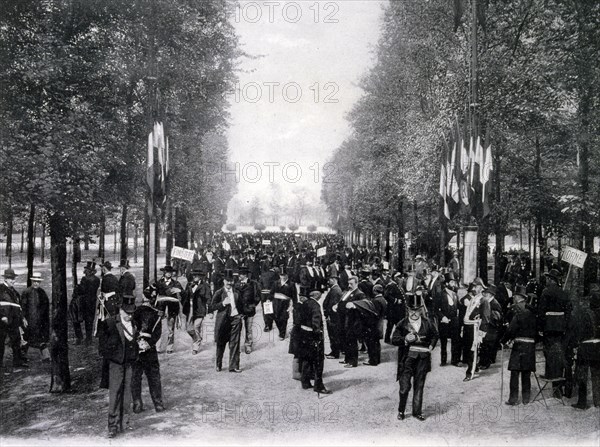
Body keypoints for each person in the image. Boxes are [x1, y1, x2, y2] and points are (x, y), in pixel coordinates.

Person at [392, 293, 439, 421]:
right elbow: (394, 339)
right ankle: (401, 411)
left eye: (417, 311)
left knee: (419, 386)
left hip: (422, 359)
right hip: (406, 359)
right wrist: (405, 340)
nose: (414, 313)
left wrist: (431, 346)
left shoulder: (427, 322)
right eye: (411, 310)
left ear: (421, 310)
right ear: (407, 310)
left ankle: (416, 412)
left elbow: (435, 335)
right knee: (404, 387)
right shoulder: (402, 324)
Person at [98, 294, 139, 438]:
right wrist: (113, 352)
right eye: (127, 313)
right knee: (115, 395)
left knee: (127, 395)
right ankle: (112, 426)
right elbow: (101, 348)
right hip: (115, 365)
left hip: (129, 365)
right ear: (120, 310)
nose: (130, 315)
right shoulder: (109, 324)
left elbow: (135, 342)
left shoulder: (134, 324)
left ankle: (124, 423)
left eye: (132, 313)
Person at [537, 268, 572, 397]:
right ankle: (561, 386)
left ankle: (554, 385)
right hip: (561, 329)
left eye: (548, 278)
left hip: (549, 328)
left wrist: (540, 327)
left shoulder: (546, 292)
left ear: (552, 280)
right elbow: (568, 312)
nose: (546, 280)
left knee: (549, 354)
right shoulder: (564, 293)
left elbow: (541, 311)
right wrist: (565, 325)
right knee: (560, 354)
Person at [501, 286, 537, 406]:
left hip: (519, 344)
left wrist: (503, 340)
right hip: (530, 345)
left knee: (515, 372)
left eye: (515, 296)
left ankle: (513, 399)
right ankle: (526, 398)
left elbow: (511, 329)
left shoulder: (516, 310)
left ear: (518, 297)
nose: (513, 298)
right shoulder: (532, 311)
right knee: (526, 372)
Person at [132, 283, 165, 414]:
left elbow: (131, 331)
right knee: (154, 377)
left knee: (135, 377)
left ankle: (137, 404)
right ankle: (158, 404)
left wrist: (137, 342)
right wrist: (148, 343)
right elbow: (157, 334)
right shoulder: (157, 315)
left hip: (136, 350)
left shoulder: (134, 312)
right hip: (149, 350)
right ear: (154, 298)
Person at [569, 288, 600, 409]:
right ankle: (598, 401)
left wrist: (574, 343)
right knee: (597, 374)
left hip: (585, 347)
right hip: (598, 347)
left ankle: (582, 402)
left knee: (582, 374)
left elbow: (577, 331)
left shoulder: (584, 315)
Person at [298, 290, 332, 394]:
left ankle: (305, 382)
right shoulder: (316, 305)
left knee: (306, 359)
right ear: (316, 296)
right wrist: (318, 335)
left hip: (304, 335)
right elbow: (316, 323)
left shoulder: (304, 304)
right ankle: (319, 386)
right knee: (318, 362)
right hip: (314, 336)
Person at [210, 269, 244, 372]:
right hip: (223, 322)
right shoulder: (219, 292)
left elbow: (241, 305)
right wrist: (223, 303)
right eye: (227, 280)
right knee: (221, 343)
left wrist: (241, 315)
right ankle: (218, 364)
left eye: (231, 280)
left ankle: (233, 366)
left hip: (235, 320)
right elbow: (212, 307)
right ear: (223, 281)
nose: (229, 283)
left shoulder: (237, 292)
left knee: (235, 344)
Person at [462, 278, 490, 381]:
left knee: (473, 351)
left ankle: (470, 373)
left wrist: (481, 333)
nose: (474, 288)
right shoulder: (473, 299)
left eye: (476, 286)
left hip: (475, 328)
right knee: (468, 349)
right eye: (474, 286)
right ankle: (475, 367)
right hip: (468, 327)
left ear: (481, 288)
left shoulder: (484, 301)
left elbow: (486, 318)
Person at [0, 268, 28, 368]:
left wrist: (23, 318)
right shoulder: (1, 289)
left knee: (16, 341)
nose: (13, 280)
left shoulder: (15, 292)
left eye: (14, 278)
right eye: (11, 278)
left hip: (14, 321)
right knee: (1, 342)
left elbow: (18, 307)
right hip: (2, 321)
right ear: (5, 279)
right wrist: (2, 316)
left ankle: (17, 362)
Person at [20, 272, 50, 362]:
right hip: (29, 320)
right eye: (34, 281)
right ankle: (22, 357)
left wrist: (45, 320)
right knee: (27, 338)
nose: (36, 283)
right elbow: (22, 307)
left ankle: (46, 357)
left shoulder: (42, 292)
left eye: (38, 281)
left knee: (41, 338)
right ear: (32, 281)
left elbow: (46, 308)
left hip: (40, 320)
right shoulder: (26, 292)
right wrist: (23, 318)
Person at [338, 276, 366, 368]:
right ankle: (347, 359)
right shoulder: (347, 292)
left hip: (353, 321)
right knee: (346, 340)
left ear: (357, 283)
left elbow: (362, 306)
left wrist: (354, 306)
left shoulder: (360, 294)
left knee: (352, 341)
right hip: (345, 319)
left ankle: (353, 362)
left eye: (352, 284)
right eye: (349, 283)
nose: (349, 285)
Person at [182, 270, 212, 354]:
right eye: (194, 275)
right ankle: (197, 338)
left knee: (196, 326)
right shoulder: (189, 285)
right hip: (190, 309)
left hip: (200, 309)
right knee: (188, 329)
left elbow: (209, 298)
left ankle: (196, 346)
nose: (194, 277)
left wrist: (210, 310)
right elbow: (185, 296)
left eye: (196, 276)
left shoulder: (205, 285)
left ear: (200, 277)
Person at [156, 265, 184, 354]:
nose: (169, 273)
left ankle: (169, 347)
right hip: (161, 307)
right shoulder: (159, 283)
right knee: (158, 327)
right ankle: (158, 347)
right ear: (164, 273)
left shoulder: (176, 283)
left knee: (170, 328)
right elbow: (152, 293)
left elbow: (183, 294)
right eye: (167, 272)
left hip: (172, 308)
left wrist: (178, 291)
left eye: (170, 272)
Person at [435, 272, 460, 366]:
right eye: (452, 282)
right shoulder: (440, 294)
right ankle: (443, 360)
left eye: (454, 282)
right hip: (444, 322)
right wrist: (442, 317)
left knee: (455, 341)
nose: (454, 284)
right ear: (446, 284)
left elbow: (458, 307)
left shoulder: (455, 294)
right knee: (443, 342)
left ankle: (455, 361)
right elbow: (436, 309)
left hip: (454, 321)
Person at [73, 261, 100, 345]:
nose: (85, 271)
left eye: (87, 270)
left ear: (90, 271)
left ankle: (79, 338)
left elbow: (82, 290)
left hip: (83, 302)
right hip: (92, 302)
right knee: (89, 321)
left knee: (77, 318)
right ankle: (88, 339)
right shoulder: (97, 279)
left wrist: (77, 287)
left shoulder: (85, 279)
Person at [478, 285, 503, 370]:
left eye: (486, 293)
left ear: (490, 294)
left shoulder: (494, 303)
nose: (484, 295)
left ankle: (486, 363)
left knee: (488, 346)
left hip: (491, 328)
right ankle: (482, 361)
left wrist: (487, 317)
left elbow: (497, 317)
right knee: (485, 345)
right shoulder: (488, 302)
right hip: (488, 327)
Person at [270, 267, 297, 340]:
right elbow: (271, 293)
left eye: (284, 275)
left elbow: (294, 296)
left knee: (284, 318)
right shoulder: (276, 283)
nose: (282, 277)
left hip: (286, 304)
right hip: (276, 304)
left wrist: (294, 305)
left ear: (287, 275)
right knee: (276, 318)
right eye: (281, 275)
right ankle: (280, 330)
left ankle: (282, 333)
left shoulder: (291, 284)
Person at [236, 266, 259, 354]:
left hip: (249, 310)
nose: (239, 276)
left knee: (248, 328)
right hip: (239, 310)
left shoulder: (253, 284)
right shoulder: (236, 284)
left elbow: (258, 296)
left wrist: (253, 305)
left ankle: (248, 345)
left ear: (245, 275)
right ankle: (236, 347)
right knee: (238, 329)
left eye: (241, 274)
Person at [322, 275, 343, 358]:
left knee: (333, 334)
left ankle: (335, 353)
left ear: (334, 280)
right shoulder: (335, 289)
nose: (328, 281)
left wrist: (328, 315)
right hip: (333, 316)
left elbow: (332, 305)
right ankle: (335, 351)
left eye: (330, 280)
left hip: (333, 317)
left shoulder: (335, 290)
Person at [384, 272, 405, 344]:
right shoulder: (391, 285)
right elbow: (386, 295)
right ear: (395, 278)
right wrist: (395, 300)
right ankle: (387, 339)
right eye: (399, 277)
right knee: (390, 325)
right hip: (392, 309)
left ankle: (397, 338)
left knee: (397, 324)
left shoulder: (397, 286)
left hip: (398, 310)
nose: (400, 279)